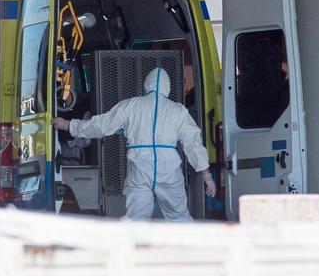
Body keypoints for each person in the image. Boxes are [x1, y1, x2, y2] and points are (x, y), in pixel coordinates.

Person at [52, 67, 216, 221]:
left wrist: (68, 125)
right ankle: (189, 249)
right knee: (179, 217)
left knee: (136, 219)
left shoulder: (131, 105)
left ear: (146, 84)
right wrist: (206, 175)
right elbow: (193, 144)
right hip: (169, 169)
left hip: (139, 167)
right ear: (168, 88)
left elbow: (101, 125)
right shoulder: (178, 111)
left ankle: (134, 249)